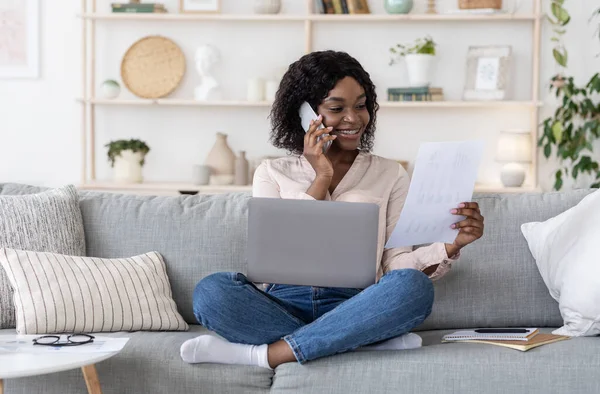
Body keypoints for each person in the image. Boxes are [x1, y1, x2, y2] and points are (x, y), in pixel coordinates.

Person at [180, 50, 484, 369]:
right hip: (282, 303)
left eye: (361, 105)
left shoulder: (390, 173)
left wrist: (451, 246)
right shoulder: (271, 172)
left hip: (359, 303)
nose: (354, 118)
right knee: (211, 292)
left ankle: (268, 355)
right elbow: (277, 252)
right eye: (337, 108)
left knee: (412, 287)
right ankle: (357, 341)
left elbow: (396, 263)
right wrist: (320, 176)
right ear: (305, 113)